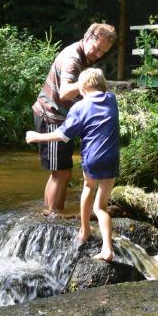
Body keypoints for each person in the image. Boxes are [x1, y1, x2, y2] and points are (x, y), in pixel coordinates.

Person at [26, 68, 119, 262]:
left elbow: (63, 135)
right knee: (101, 207)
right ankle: (107, 249)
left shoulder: (80, 107)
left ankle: (84, 230)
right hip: (111, 159)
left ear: (83, 88)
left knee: (88, 188)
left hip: (92, 158)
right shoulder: (112, 100)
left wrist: (37, 137)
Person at [32, 23, 116, 216]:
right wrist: (89, 84)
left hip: (62, 117)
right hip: (51, 116)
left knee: (61, 171)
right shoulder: (73, 58)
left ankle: (50, 212)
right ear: (87, 38)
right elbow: (65, 92)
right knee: (61, 172)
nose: (98, 54)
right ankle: (54, 215)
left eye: (103, 52)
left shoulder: (85, 56)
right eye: (96, 48)